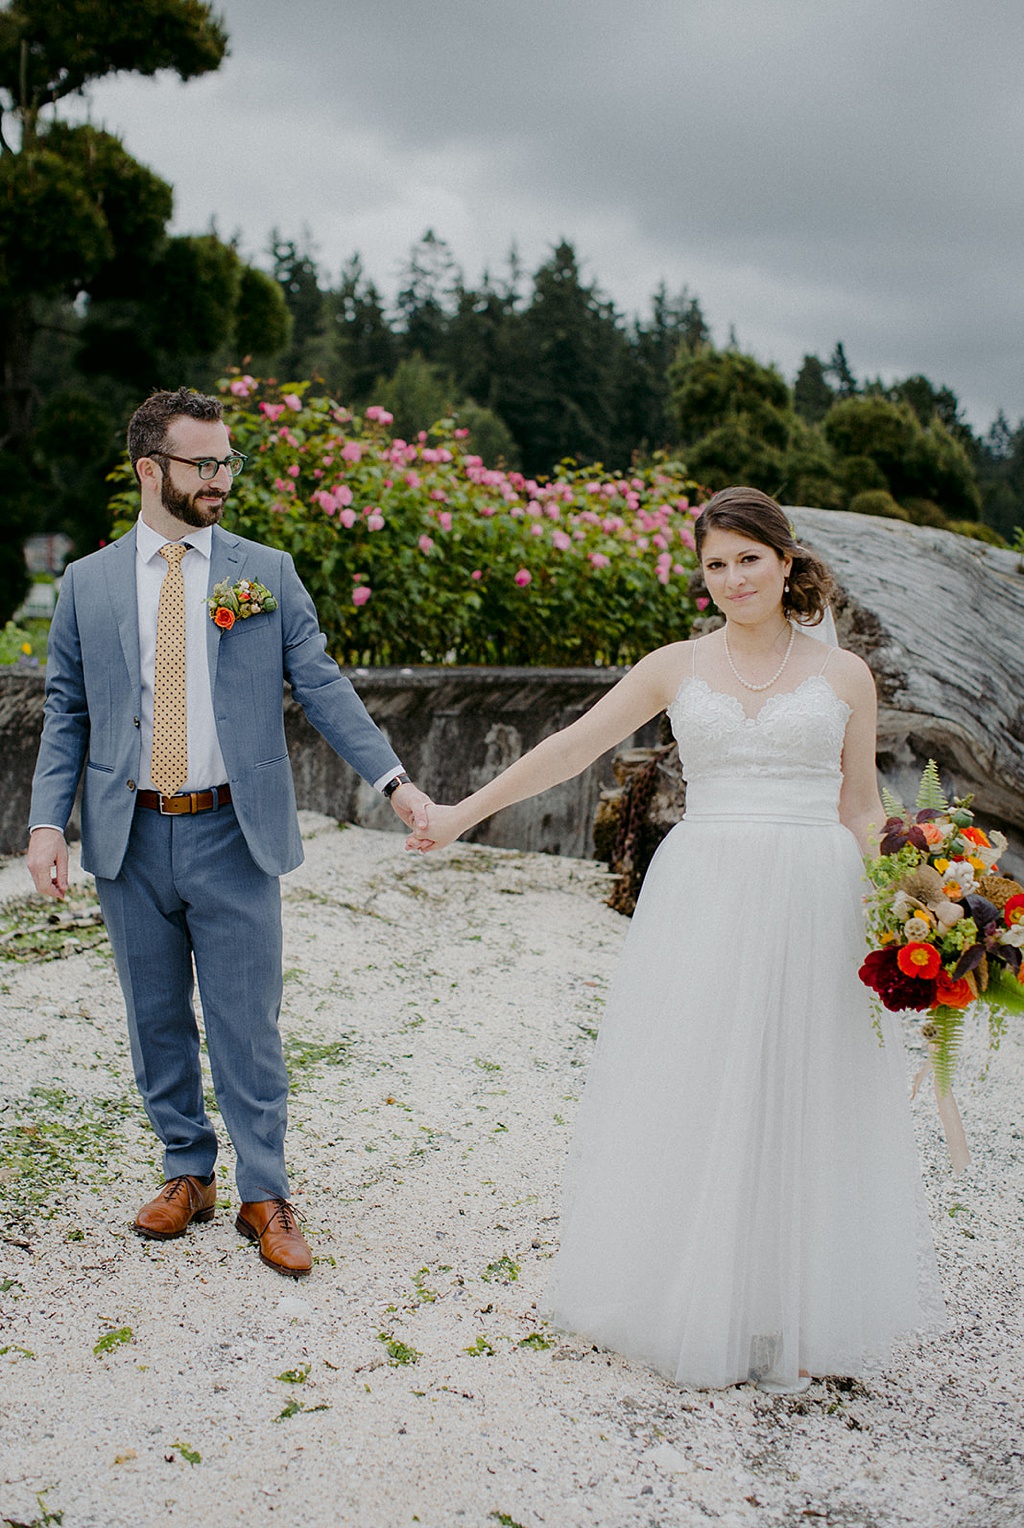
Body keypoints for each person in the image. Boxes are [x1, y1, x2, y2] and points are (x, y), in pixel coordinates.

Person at [407, 485, 945, 1390]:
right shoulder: (673, 666)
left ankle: (784, 1298)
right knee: (699, 1078)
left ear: (785, 560)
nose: (733, 578)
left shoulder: (845, 676)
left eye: (748, 559)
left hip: (818, 892)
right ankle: (691, 1291)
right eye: (715, 565)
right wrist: (463, 813)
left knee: (801, 1081)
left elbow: (861, 806)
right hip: (706, 892)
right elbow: (573, 747)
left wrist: (922, 899)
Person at [27, 388, 431, 1278]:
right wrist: (46, 821)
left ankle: (264, 1191)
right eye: (202, 464)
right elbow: (67, 708)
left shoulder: (265, 572)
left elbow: (324, 688)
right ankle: (186, 1172)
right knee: (155, 1018)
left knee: (248, 1025)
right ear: (150, 470)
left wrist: (394, 781)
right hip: (127, 836)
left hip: (232, 831)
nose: (221, 479)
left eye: (227, 462)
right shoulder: (87, 583)